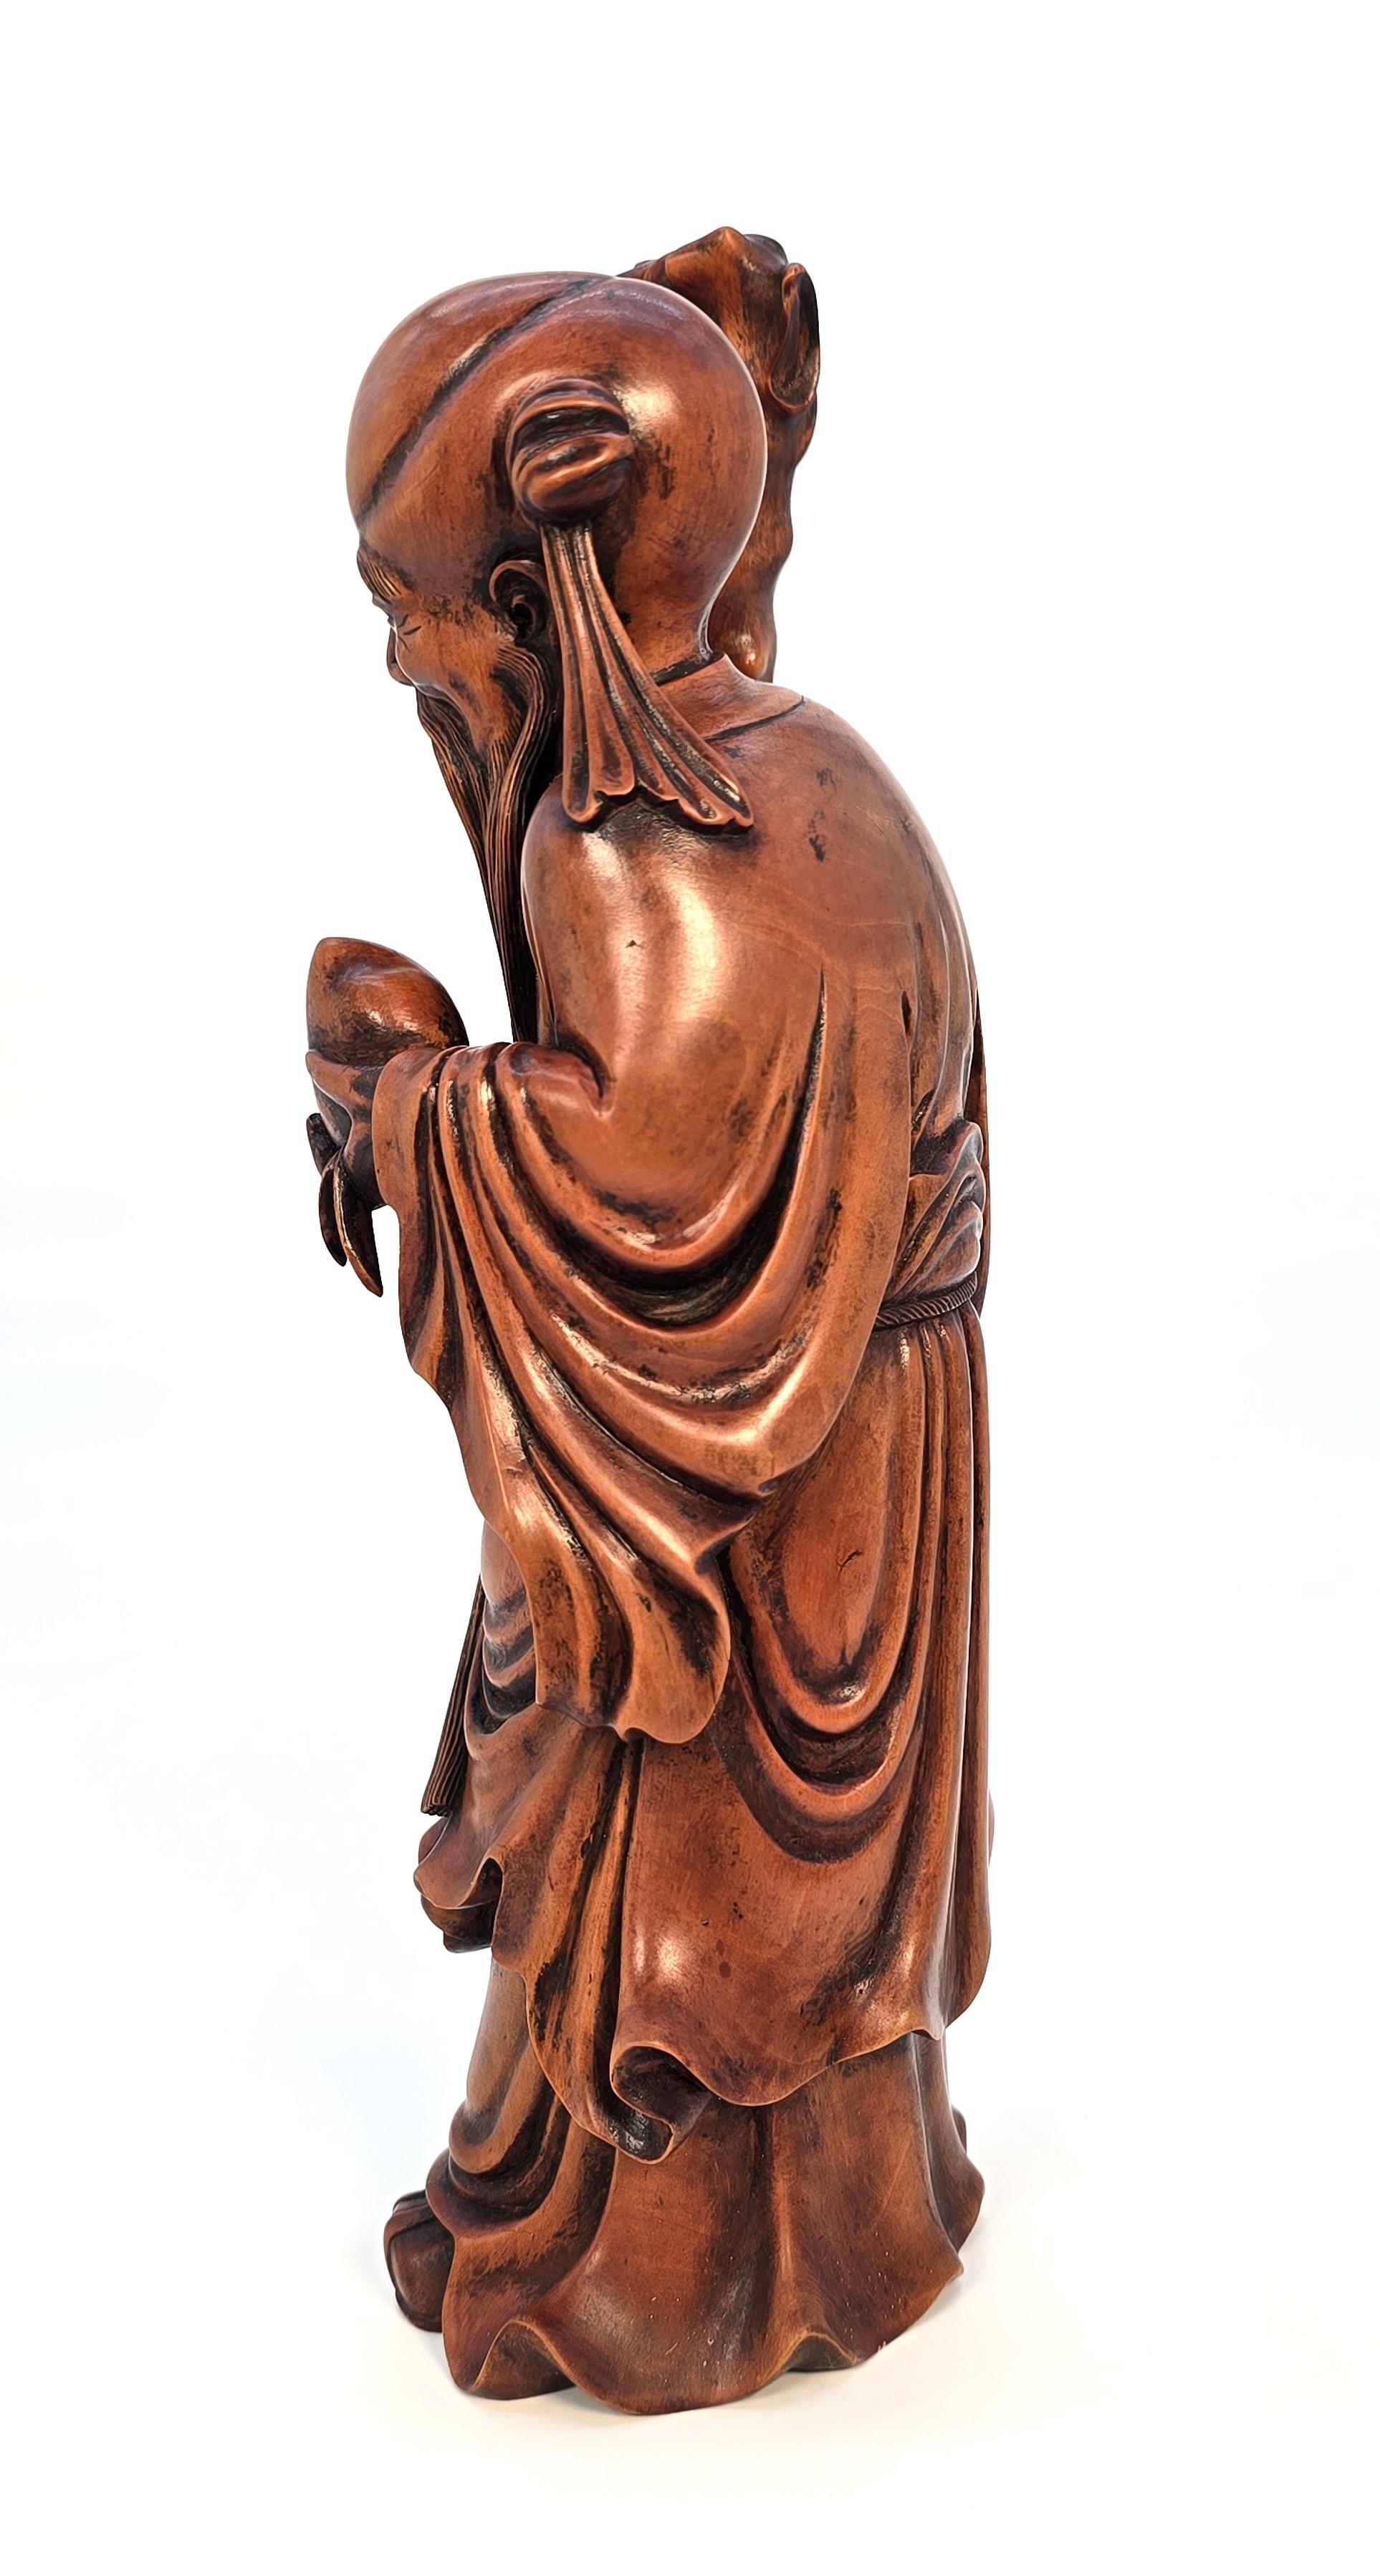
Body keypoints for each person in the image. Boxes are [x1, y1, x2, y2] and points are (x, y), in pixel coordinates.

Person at [306, 260, 992, 2414]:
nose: (415, 667)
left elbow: (644, 1207)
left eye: (429, 609)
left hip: (759, 1460)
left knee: (669, 1876)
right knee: (787, 1909)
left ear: (548, 579)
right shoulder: (822, 772)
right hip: (878, 1425)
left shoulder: (625, 837)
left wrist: (414, 1106)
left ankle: (643, 2280)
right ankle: (841, 2225)